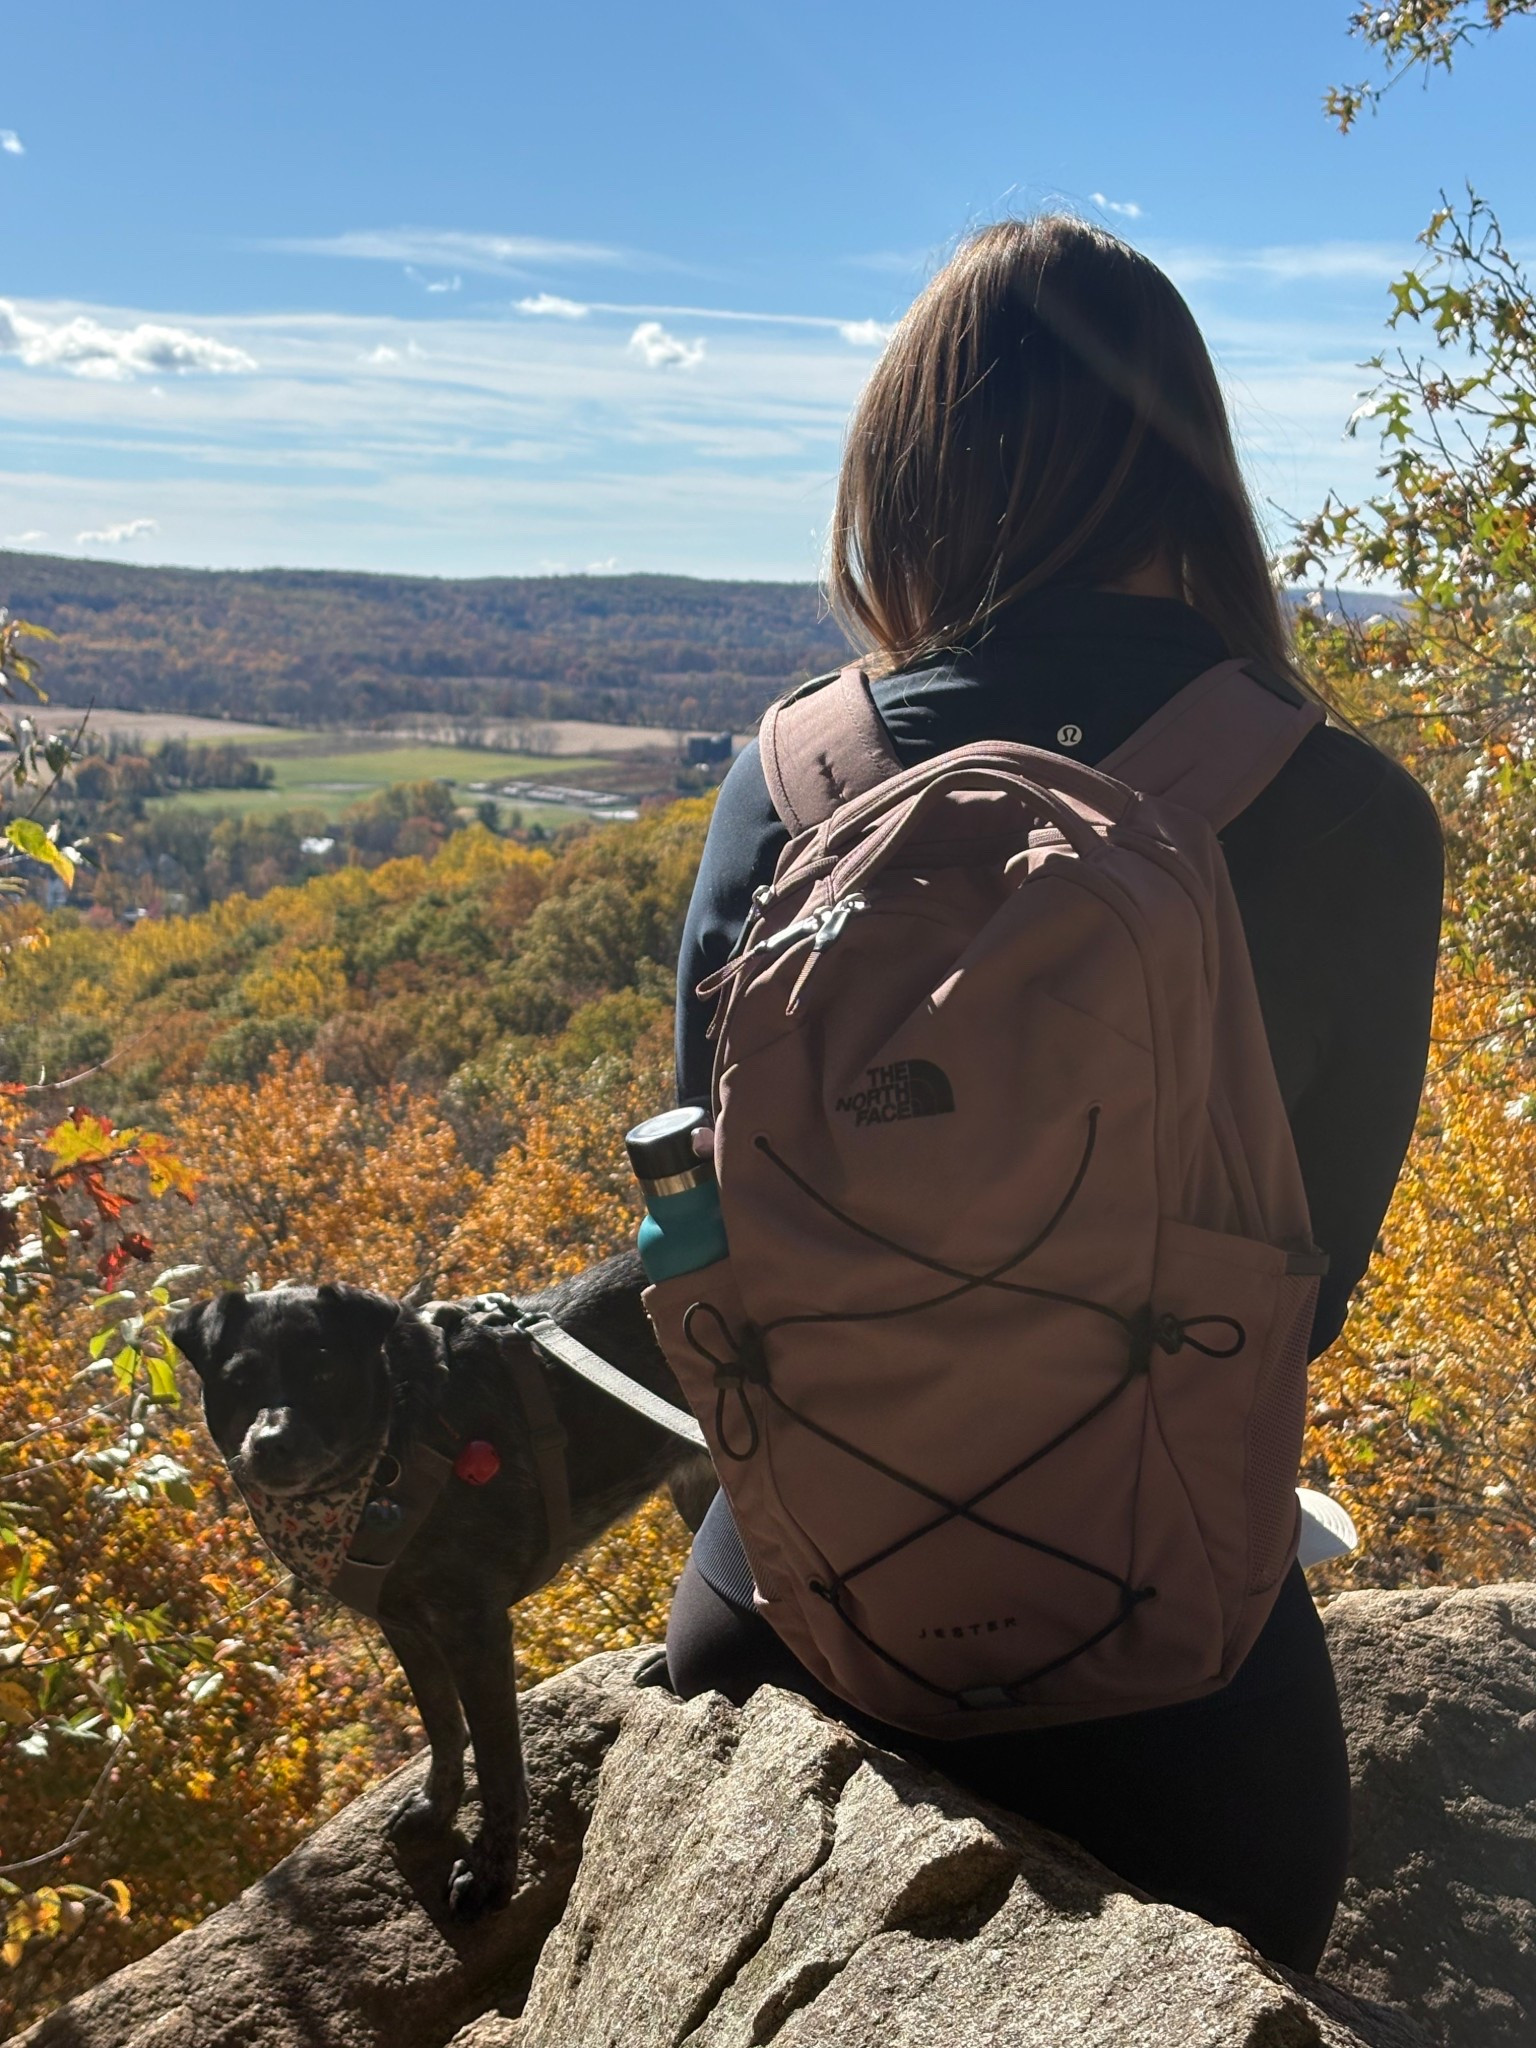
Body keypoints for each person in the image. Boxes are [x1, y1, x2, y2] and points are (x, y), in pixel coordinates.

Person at [662, 215, 1443, 1974]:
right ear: (1196, 470)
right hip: (1178, 1706)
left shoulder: (784, 788)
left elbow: (713, 1237)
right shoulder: (1345, 814)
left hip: (798, 1644)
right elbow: (1304, 1294)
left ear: (902, 478)